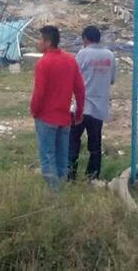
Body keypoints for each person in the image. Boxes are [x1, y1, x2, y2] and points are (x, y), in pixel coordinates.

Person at [30, 25, 86, 189]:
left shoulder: (43, 63)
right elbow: (80, 89)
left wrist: (34, 110)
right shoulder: (69, 60)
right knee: (62, 157)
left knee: (47, 157)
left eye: (39, 39)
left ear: (47, 42)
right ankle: (63, 188)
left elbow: (39, 92)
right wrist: (79, 111)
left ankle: (55, 195)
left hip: (46, 117)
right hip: (64, 118)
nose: (37, 42)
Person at [69, 26, 116, 181]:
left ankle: (71, 175)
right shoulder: (110, 55)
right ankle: (92, 176)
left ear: (85, 39)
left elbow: (74, 78)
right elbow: (112, 80)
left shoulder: (83, 54)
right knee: (95, 145)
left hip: (82, 107)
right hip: (99, 108)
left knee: (74, 141)